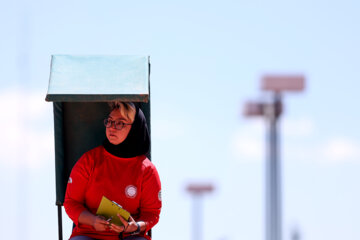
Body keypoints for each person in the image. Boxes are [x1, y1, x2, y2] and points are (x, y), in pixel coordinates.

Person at [64, 102, 162, 240]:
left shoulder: (147, 170)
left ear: (135, 128)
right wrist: (93, 221)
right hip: (88, 235)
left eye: (120, 123)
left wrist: (136, 227)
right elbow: (71, 202)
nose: (111, 128)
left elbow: (152, 213)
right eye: (109, 121)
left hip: (130, 237)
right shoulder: (89, 160)